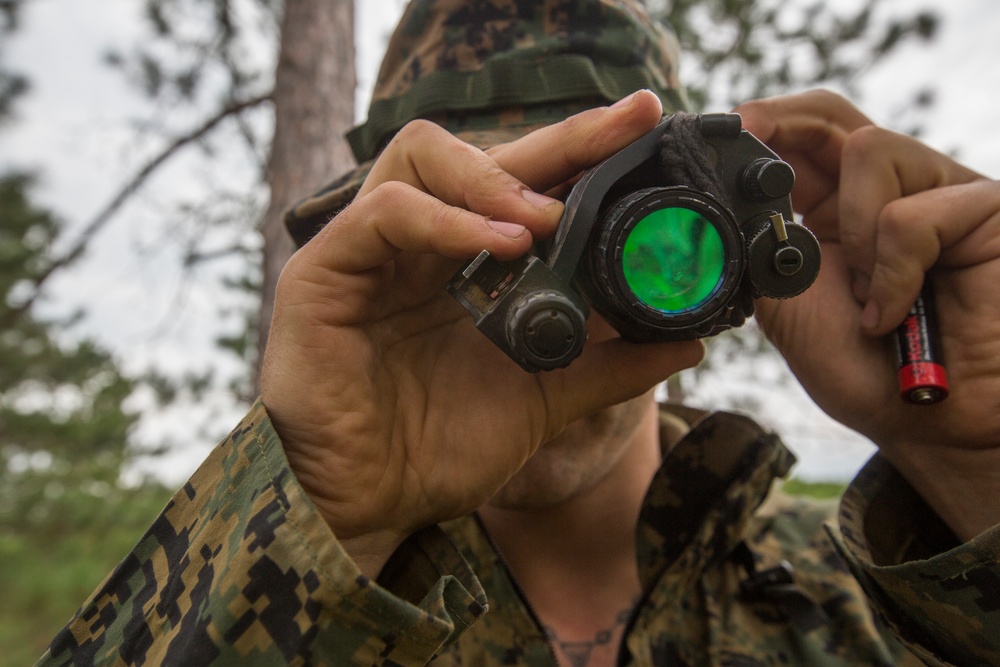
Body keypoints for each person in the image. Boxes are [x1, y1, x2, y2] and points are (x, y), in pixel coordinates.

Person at [38, 1, 1000, 665]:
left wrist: (971, 465)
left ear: (719, 243)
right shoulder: (305, 583)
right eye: (484, 243)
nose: (562, 307)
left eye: (614, 229)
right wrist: (321, 526)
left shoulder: (853, 605)